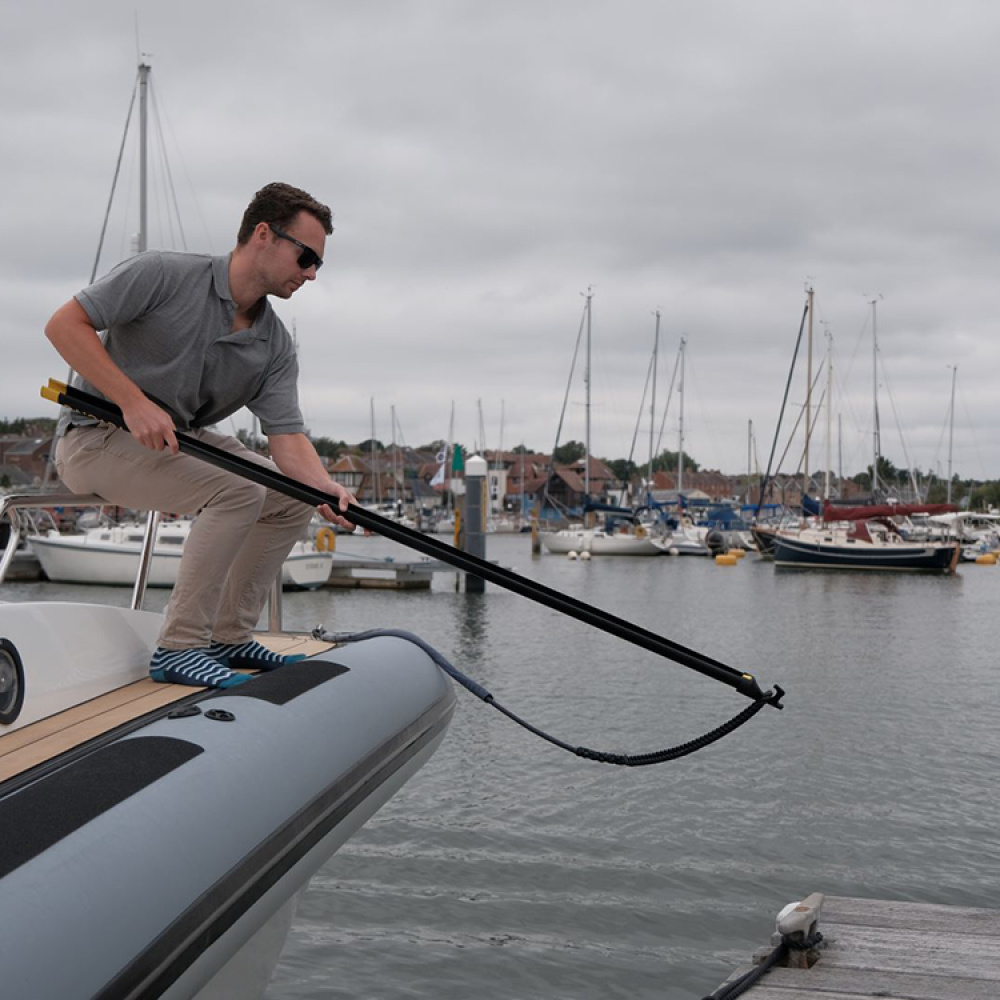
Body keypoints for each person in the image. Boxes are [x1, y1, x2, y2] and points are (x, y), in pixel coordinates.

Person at [45, 181, 358, 689]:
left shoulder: (273, 344)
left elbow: (288, 437)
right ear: (263, 234)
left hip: (177, 443)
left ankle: (228, 637)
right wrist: (132, 401)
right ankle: (179, 648)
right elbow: (64, 324)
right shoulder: (162, 274)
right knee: (238, 490)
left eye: (318, 264)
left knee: (292, 497)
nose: (312, 274)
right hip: (93, 438)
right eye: (305, 257)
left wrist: (324, 485)